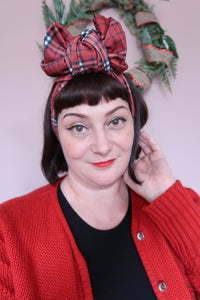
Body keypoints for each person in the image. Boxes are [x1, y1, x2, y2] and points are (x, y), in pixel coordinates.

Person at [0, 14, 200, 300]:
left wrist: (167, 195)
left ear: (135, 124)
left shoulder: (182, 206)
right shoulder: (7, 230)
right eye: (79, 127)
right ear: (58, 134)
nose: (102, 146)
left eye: (115, 121)